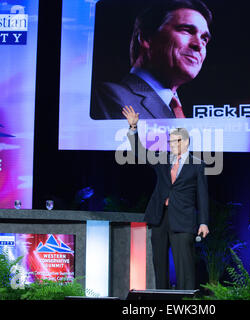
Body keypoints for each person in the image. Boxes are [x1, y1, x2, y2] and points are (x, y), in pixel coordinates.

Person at [123, 105, 209, 290]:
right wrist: (133, 129)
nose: (172, 145)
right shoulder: (162, 160)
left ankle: (185, 302)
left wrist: (203, 222)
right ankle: (160, 299)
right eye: (170, 141)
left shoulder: (197, 165)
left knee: (184, 266)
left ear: (186, 143)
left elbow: (202, 196)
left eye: (176, 141)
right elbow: (140, 152)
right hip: (160, 217)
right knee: (159, 264)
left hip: (183, 219)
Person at [91, 0, 212, 119]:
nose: (199, 45)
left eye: (204, 39)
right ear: (147, 38)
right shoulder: (110, 96)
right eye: (186, 30)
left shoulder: (180, 109)